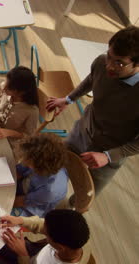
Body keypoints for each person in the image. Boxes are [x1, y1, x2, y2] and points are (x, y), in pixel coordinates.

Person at [46, 26, 139, 195]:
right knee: (54, 162)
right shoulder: (100, 62)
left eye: (119, 63)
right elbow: (91, 79)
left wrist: (108, 156)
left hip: (108, 152)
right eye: (109, 57)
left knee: (85, 193)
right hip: (82, 131)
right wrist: (68, 99)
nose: (109, 66)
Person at [0, 209, 91, 264]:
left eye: (46, 233)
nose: (42, 229)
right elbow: (42, 224)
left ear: (60, 246)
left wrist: (23, 254)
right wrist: (19, 220)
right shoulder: (78, 237)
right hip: (34, 254)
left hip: (27, 259)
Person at [12, 134, 68, 217]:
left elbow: (22, 201)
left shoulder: (50, 190)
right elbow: (19, 171)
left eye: (29, 163)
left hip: (30, 207)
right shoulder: (35, 157)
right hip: (25, 187)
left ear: (39, 166)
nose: (24, 162)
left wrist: (2, 200)